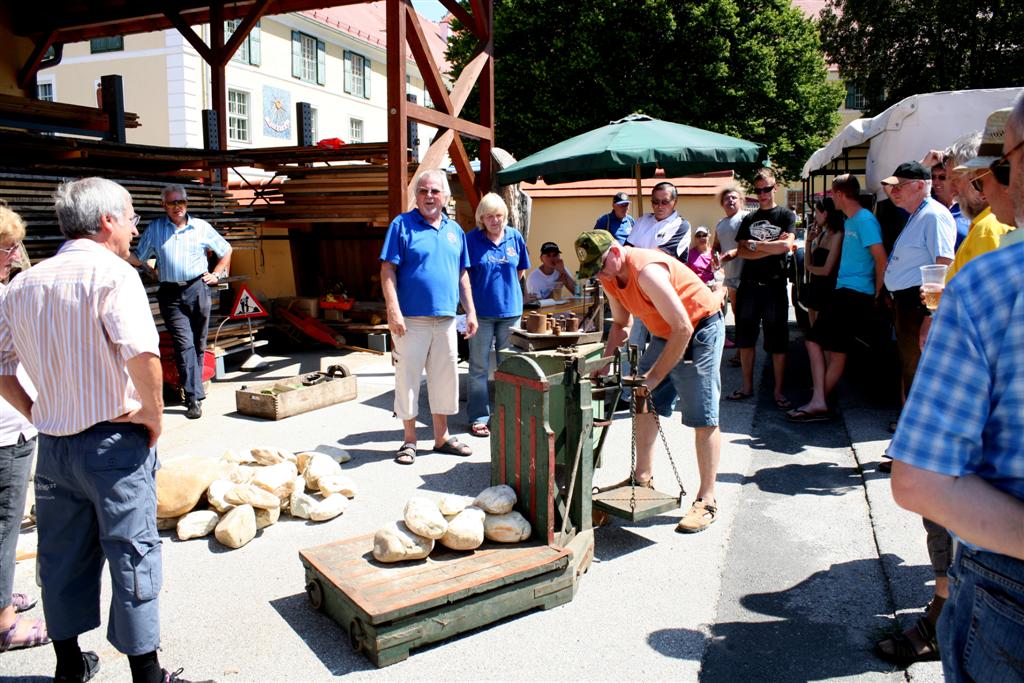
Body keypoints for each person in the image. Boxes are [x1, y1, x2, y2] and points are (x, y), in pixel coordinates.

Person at [0, 177, 193, 682]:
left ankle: (69, 666)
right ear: (107, 220)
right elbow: (144, 355)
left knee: (60, 557)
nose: (134, 227)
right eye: (130, 216)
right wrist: (154, 415)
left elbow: (1, 367)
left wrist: (39, 407)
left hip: (54, 448)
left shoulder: (23, 283)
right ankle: (147, 675)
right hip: (113, 443)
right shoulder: (113, 275)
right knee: (132, 553)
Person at [577, 231, 726, 533]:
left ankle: (707, 499)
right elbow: (620, 323)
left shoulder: (646, 272)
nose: (600, 274)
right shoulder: (608, 276)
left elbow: (683, 327)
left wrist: (655, 375)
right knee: (643, 399)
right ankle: (642, 476)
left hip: (699, 329)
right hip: (666, 332)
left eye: (602, 265)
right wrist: (604, 365)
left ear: (617, 252)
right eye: (594, 270)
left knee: (702, 413)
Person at [381, 169, 478, 465]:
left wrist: (471, 311)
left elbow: (462, 274)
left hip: (447, 320)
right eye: (423, 191)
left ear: (445, 196)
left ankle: (441, 438)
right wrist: (393, 310)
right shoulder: (402, 225)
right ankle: (409, 441)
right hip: (410, 320)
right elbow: (387, 271)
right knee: (408, 379)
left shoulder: (455, 231)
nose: (429, 196)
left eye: (435, 191)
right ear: (416, 196)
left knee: (444, 379)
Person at [787, 175, 885, 423]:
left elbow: (880, 258)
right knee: (837, 351)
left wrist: (879, 294)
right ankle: (819, 399)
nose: (831, 198)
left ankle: (819, 400)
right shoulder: (852, 220)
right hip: (847, 291)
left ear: (840, 194)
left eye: (832, 194)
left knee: (813, 340)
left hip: (854, 293)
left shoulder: (864, 220)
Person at [130, 184, 231, 420]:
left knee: (198, 343)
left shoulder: (201, 227)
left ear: (186, 203)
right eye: (172, 203)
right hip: (171, 294)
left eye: (181, 202)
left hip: (198, 289)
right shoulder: (156, 228)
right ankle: (193, 398)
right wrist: (117, 251)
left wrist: (216, 274)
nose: (177, 207)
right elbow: (139, 257)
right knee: (183, 343)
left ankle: (194, 388)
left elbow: (226, 250)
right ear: (163, 205)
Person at [0, 206, 47, 653]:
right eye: (9, 248)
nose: (15, 255)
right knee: (3, 526)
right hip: (5, 431)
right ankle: (4, 623)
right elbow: (5, 372)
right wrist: (37, 414)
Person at [880, 161, 955, 411]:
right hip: (908, 302)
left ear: (921, 186)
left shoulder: (932, 215)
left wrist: (930, 315)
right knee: (912, 366)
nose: (894, 192)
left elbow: (942, 263)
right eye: (893, 187)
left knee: (920, 368)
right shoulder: (920, 214)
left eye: (900, 186)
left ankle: (921, 433)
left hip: (918, 304)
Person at [729, 168, 796, 409]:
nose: (763, 194)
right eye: (758, 190)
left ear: (775, 187)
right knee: (745, 339)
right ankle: (747, 386)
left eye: (766, 189)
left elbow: (786, 247)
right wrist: (770, 246)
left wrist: (756, 245)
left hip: (775, 286)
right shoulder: (748, 218)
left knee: (777, 340)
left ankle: (778, 391)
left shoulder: (786, 215)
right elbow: (742, 251)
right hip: (749, 286)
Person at [465, 193, 529, 438]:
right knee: (479, 367)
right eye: (490, 216)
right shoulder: (471, 240)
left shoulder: (515, 237)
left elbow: (521, 269)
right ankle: (479, 417)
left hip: (511, 312)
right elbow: (464, 276)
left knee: (510, 366)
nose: (495, 220)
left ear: (506, 216)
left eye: (499, 216)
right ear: (481, 218)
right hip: (480, 314)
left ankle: (508, 414)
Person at [712, 186, 748, 348]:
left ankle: (743, 351)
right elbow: (716, 246)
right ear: (722, 203)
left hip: (747, 274)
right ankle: (741, 351)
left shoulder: (746, 218)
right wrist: (714, 255)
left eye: (734, 198)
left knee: (745, 316)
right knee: (737, 314)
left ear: (741, 200)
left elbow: (750, 244)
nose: (730, 201)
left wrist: (733, 253)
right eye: (727, 198)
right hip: (730, 276)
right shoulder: (720, 223)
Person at [800, 197, 844, 327]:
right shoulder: (823, 234)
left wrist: (809, 267)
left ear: (825, 213)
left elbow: (826, 270)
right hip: (815, 287)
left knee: (822, 335)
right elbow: (809, 262)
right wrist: (809, 241)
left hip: (827, 290)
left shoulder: (838, 235)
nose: (814, 216)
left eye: (816, 212)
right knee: (814, 334)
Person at [625, 181, 690, 260]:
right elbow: (627, 248)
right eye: (656, 202)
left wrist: (633, 253)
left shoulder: (681, 226)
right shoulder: (642, 220)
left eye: (665, 202)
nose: (660, 206)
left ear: (675, 202)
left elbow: (661, 255)